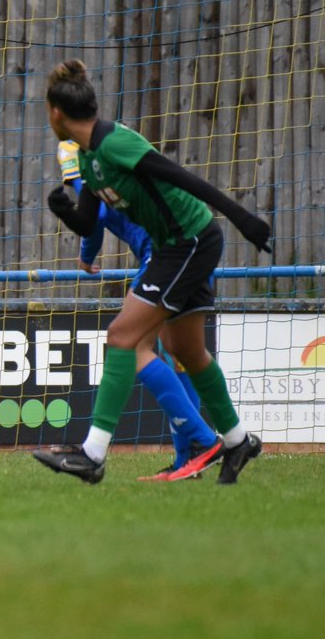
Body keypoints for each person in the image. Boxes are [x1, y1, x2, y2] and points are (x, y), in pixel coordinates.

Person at [35, 59, 270, 485]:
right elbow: (90, 223)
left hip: (190, 242)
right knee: (188, 350)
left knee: (123, 336)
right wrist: (65, 213)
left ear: (56, 112)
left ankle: (93, 455)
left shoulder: (114, 144)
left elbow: (180, 177)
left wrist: (242, 218)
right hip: (175, 247)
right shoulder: (89, 158)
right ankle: (237, 440)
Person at [57, 139, 222, 482]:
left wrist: (86, 257)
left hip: (164, 256)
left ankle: (205, 441)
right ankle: (186, 461)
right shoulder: (113, 158)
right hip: (190, 249)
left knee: (132, 347)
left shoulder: (86, 173)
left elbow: (95, 217)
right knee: (178, 355)